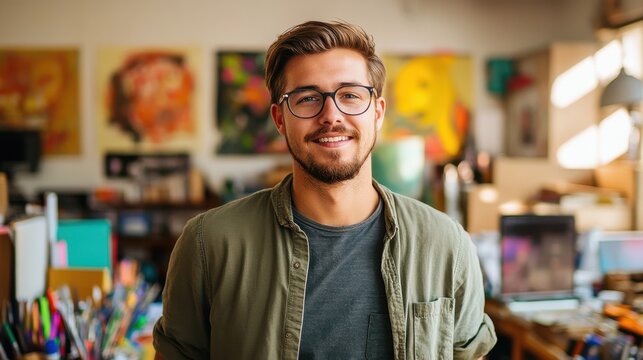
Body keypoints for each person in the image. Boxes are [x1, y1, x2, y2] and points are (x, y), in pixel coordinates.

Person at [153, 20, 497, 359]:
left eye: (350, 95)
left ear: (377, 113)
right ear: (279, 119)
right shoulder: (207, 244)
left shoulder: (447, 244)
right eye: (307, 98)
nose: (331, 115)